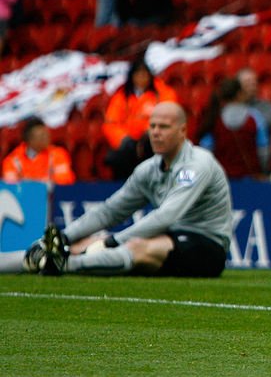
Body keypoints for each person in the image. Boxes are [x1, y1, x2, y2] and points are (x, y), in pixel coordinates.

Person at [10, 103, 232, 277]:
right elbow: (110, 211)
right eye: (152, 126)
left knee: (136, 246)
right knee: (83, 243)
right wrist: (64, 237)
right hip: (170, 238)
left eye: (164, 127)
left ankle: (64, 265)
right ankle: (41, 258)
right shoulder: (149, 169)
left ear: (183, 131)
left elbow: (167, 216)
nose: (155, 132)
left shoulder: (197, 164)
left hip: (207, 245)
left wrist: (113, 241)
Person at [103, 57, 178, 179]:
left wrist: (150, 132)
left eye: (144, 74)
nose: (141, 78)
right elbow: (111, 124)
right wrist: (124, 139)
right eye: (138, 74)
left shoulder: (163, 93)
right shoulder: (122, 97)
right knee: (118, 157)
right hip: (130, 143)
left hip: (154, 140)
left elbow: (170, 115)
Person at [2, 116, 75, 184]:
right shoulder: (12, 161)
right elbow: (11, 186)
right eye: (41, 136)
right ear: (29, 140)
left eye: (47, 134)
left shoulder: (58, 154)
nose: (47, 137)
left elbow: (65, 181)